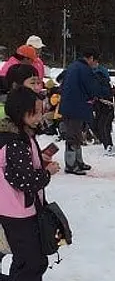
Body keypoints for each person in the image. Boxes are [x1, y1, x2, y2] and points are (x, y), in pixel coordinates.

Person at [0, 87, 61, 281]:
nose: (38, 117)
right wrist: (46, 173)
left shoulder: (22, 133)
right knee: (32, 262)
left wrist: (37, 159)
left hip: (21, 207)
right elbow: (24, 181)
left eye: (40, 111)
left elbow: (18, 167)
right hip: (16, 210)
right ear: (20, 112)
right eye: (33, 113)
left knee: (29, 260)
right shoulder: (15, 140)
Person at [60, 48, 103, 175]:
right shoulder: (84, 69)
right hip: (75, 107)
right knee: (73, 135)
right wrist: (98, 94)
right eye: (95, 62)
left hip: (71, 106)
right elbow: (91, 87)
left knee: (77, 134)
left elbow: (60, 79)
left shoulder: (73, 66)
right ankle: (70, 164)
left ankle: (78, 161)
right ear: (90, 58)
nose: (95, 65)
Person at [92, 66, 115, 155]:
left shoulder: (104, 83)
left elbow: (109, 93)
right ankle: (106, 144)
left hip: (108, 108)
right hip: (100, 107)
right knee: (98, 126)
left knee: (104, 126)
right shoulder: (96, 83)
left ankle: (109, 145)